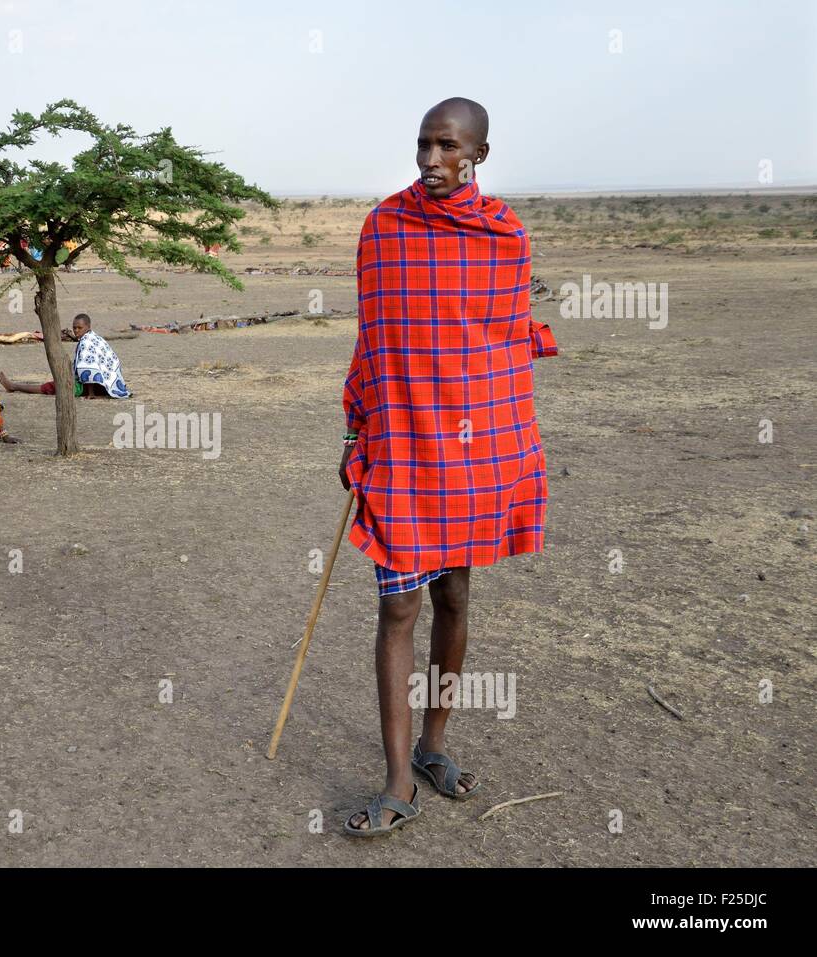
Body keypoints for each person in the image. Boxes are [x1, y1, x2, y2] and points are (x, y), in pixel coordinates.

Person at [340, 98, 558, 838]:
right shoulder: (385, 229)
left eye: (446, 146)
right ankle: (398, 780)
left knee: (456, 597)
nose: (431, 159)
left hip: (470, 451)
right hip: (401, 443)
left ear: (479, 155)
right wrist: (356, 426)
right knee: (398, 606)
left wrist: (510, 438)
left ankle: (435, 744)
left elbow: (501, 350)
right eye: (423, 145)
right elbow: (376, 339)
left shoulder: (504, 238)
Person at [0, 313, 129, 399]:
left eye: (79, 328)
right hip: (109, 384)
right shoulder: (96, 338)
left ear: (88, 327)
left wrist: (91, 394)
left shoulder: (86, 342)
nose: (76, 331)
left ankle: (13, 386)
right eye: (74, 328)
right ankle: (15, 386)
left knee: (51, 387)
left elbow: (88, 368)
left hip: (92, 387)